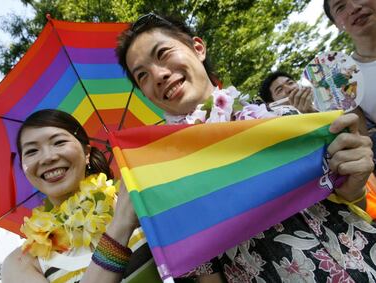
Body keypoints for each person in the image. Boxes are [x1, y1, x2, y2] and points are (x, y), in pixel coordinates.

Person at [116, 13, 376, 282]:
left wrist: (355, 184)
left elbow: (351, 203)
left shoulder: (288, 118)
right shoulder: (172, 182)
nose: (158, 75)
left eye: (163, 53)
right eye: (142, 75)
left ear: (198, 48)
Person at [1, 109, 160, 283]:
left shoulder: (136, 198)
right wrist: (121, 225)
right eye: (31, 151)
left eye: (59, 142)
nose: (47, 158)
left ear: (87, 153)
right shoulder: (21, 263)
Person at [323, 0, 376, 173]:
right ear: (337, 24)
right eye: (340, 7)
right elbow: (363, 144)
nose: (354, 8)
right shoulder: (345, 80)